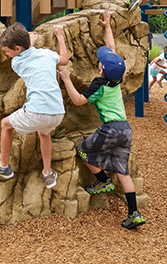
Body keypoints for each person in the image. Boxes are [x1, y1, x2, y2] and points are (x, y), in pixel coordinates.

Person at [57, 10, 145, 229]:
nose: (100, 61)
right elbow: (113, 52)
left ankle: (103, 181)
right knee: (123, 172)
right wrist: (107, 27)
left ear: (101, 69)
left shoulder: (99, 84)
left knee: (83, 150)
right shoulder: (116, 77)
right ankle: (134, 213)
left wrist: (67, 78)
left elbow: (78, 100)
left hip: (112, 129)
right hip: (125, 129)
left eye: (101, 61)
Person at [0, 22, 68, 189]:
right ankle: (47, 173)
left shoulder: (17, 63)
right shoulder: (47, 54)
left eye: (7, 51)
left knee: (5, 125)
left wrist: (29, 43)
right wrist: (60, 36)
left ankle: (3, 167)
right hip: (58, 113)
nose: (7, 55)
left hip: (37, 112)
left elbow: (25, 53)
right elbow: (64, 60)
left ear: (17, 49)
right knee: (44, 133)